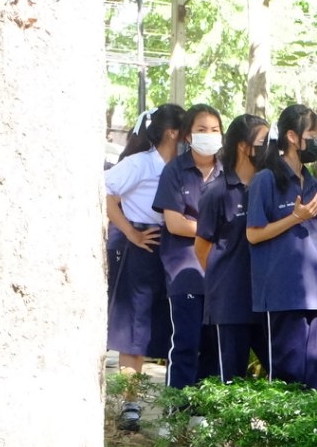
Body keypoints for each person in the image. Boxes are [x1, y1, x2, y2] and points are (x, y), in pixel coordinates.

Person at [104, 102, 184, 430]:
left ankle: (169, 401)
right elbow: (104, 191)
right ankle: (130, 403)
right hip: (139, 245)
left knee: (168, 326)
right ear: (172, 133)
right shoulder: (140, 164)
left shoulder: (182, 166)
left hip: (173, 246)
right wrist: (131, 233)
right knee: (134, 328)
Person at [247, 103, 317, 391]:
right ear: (293, 137)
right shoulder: (266, 179)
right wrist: (294, 217)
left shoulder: (312, 181)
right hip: (282, 294)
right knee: (287, 380)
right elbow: (253, 234)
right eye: (313, 134)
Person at [152, 104, 224, 390]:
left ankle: (202, 414)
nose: (209, 135)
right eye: (202, 130)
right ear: (187, 137)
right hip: (184, 269)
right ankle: (176, 411)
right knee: (185, 342)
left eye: (215, 130)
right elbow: (175, 224)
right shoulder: (175, 171)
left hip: (220, 273)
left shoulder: (228, 172)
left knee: (214, 346)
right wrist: (215, 230)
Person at [196, 113, 268, 381]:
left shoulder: (268, 185)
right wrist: (221, 281)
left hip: (265, 300)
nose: (267, 148)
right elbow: (201, 247)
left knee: (281, 375)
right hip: (230, 303)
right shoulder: (217, 192)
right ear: (242, 145)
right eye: (262, 141)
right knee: (231, 379)